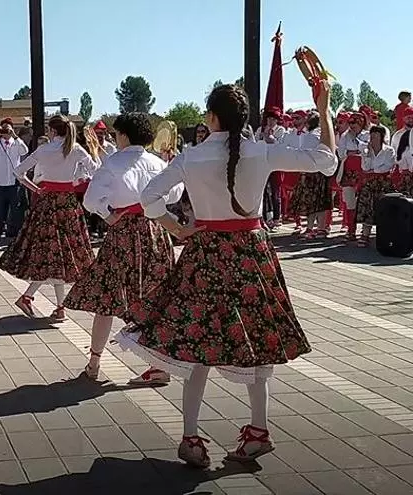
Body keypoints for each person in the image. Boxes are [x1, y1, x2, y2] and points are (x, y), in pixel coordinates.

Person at [114, 83, 337, 468]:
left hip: (205, 255)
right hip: (251, 254)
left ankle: (190, 436)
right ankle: (258, 431)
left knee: (198, 345)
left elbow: (149, 198)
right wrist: (324, 106)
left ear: (211, 117)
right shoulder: (263, 151)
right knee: (253, 343)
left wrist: (176, 228)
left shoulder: (191, 157)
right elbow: (326, 160)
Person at [63, 114, 181, 385]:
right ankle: (158, 365)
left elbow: (91, 200)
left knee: (107, 297)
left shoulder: (113, 163)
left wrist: (107, 214)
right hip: (155, 230)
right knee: (155, 295)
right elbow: (176, 194)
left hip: (124, 234)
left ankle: (94, 362)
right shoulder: (158, 162)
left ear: (124, 135)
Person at [0, 115, 96, 321]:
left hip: (47, 204)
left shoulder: (44, 150)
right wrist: (77, 181)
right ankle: (53, 305)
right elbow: (95, 171)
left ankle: (48, 303)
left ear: (51, 131)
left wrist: (36, 189)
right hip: (67, 203)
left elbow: (18, 172)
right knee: (61, 255)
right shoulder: (75, 148)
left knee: (51, 254)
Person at [0, 118, 28, 243]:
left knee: (16, 211)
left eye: (7, 128)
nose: (5, 131)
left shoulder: (16, 143)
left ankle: (17, 236)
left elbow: (25, 151)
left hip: (14, 183)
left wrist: (15, 136)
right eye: (3, 129)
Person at [287, 112, 332, 238]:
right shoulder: (314, 135)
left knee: (317, 202)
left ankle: (318, 228)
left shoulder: (313, 135)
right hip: (314, 171)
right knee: (315, 202)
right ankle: (313, 227)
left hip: (316, 172)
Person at [357, 126, 395, 247]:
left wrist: (375, 169)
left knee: (384, 209)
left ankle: (385, 235)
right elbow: (365, 167)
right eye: (371, 135)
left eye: (376, 135)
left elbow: (388, 166)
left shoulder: (389, 150)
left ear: (381, 137)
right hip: (370, 184)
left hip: (384, 183)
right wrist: (367, 155)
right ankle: (365, 235)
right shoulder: (366, 151)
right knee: (368, 208)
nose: (373, 138)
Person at [337, 112, 368, 241]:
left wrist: (356, 148)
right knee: (349, 201)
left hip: (363, 171)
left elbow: (367, 150)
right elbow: (341, 152)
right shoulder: (345, 136)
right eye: (350, 123)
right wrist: (353, 152)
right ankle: (351, 229)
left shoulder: (367, 134)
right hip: (348, 171)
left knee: (364, 200)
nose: (352, 126)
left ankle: (364, 232)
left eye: (355, 123)